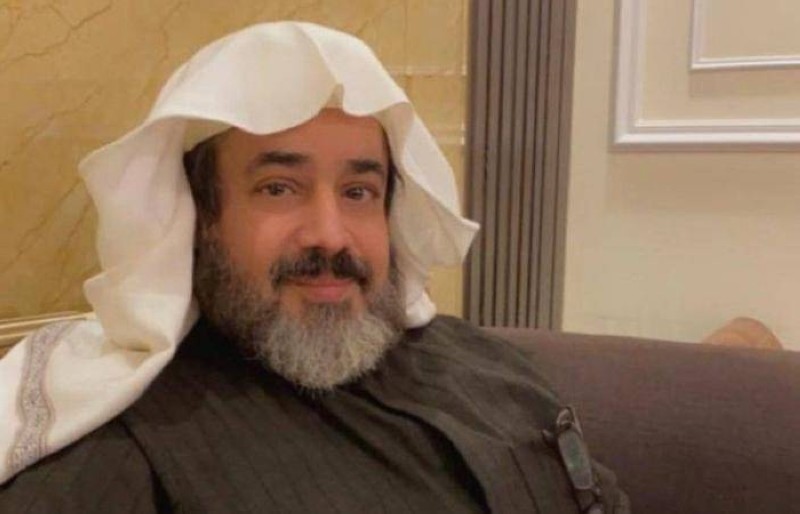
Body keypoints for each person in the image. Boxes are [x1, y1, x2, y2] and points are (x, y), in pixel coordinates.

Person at [0, 22, 628, 513]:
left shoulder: (483, 363)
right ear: (200, 219)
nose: (330, 234)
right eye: (279, 188)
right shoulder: (126, 449)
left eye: (359, 192)